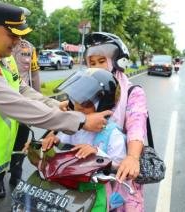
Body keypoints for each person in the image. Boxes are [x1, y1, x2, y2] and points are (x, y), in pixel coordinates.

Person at [0, 2, 111, 212]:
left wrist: (55, 105)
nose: (18, 42)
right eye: (13, 36)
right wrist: (82, 121)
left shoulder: (2, 58)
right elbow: (19, 106)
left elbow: (22, 89)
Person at [42, 69, 136, 211]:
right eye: (76, 99)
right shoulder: (74, 125)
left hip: (95, 194)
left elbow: (120, 166)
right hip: (67, 188)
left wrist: (97, 154)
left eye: (86, 102)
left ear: (103, 104)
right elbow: (63, 147)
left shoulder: (112, 134)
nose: (79, 106)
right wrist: (53, 142)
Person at [84, 32, 147, 211]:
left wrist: (132, 157)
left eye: (102, 61)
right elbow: (72, 115)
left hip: (118, 170)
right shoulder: (87, 88)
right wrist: (52, 134)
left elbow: (136, 126)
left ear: (118, 62)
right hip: (87, 168)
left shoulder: (132, 92)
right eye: (92, 63)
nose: (97, 68)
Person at [0, 36, 41, 198]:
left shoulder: (29, 47)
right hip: (4, 104)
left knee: (21, 144)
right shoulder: (1, 45)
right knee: (2, 144)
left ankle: (16, 176)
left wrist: (38, 100)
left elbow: (34, 74)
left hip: (24, 102)